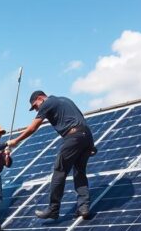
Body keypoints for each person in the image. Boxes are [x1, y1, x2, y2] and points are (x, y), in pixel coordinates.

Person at [6, 90, 94, 220]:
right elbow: (81, 120)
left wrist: (15, 141)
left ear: (40, 98)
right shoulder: (65, 99)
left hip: (73, 137)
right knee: (79, 172)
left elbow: (32, 128)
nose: (37, 110)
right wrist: (89, 145)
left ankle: (53, 209)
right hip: (86, 136)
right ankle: (83, 208)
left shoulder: (48, 103)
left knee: (59, 171)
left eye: (35, 106)